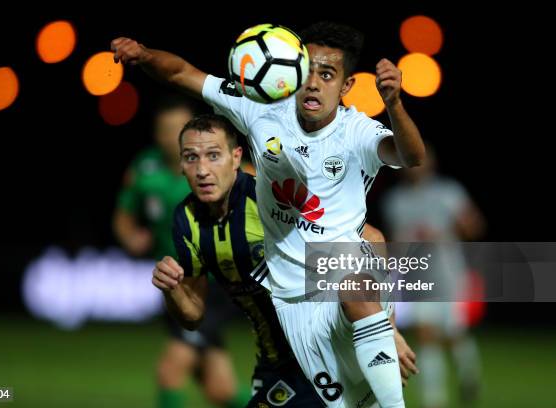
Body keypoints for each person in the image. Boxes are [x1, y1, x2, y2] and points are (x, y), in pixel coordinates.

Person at [111, 20, 424, 407]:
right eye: (307, 70)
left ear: (345, 87)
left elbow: (411, 157)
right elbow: (180, 73)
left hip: (339, 278)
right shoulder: (261, 111)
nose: (312, 83)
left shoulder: (357, 132)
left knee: (354, 284)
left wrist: (393, 103)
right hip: (294, 305)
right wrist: (142, 56)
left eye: (326, 75)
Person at [152, 114, 416, 406]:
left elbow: (372, 238)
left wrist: (387, 328)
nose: (202, 169)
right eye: (191, 158)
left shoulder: (269, 199)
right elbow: (193, 317)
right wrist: (172, 289)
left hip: (324, 346)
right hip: (276, 363)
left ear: (235, 157)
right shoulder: (186, 219)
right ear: (180, 164)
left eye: (213, 155)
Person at [113, 95, 247, 408]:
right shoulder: (144, 168)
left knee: (169, 373)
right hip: (175, 286)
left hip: (211, 286)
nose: (171, 138)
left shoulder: (216, 172)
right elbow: (123, 215)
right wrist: (130, 236)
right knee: (221, 391)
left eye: (178, 129)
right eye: (165, 130)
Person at [382, 147, 485, 408]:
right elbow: (394, 241)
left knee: (454, 334)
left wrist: (447, 231)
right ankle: (434, 399)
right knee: (426, 334)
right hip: (416, 276)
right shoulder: (395, 200)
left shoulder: (448, 192)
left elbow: (474, 226)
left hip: (449, 274)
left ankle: (468, 374)